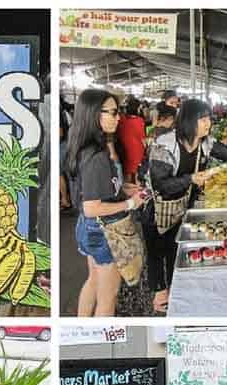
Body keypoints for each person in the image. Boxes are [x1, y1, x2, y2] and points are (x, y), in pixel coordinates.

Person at [145, 100, 227, 313]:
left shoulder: (205, 142)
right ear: (189, 120)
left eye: (209, 118)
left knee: (175, 245)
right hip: (157, 207)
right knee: (156, 249)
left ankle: (174, 288)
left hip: (182, 204)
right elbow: (160, 184)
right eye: (203, 118)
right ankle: (159, 294)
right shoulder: (165, 144)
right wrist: (191, 178)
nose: (208, 123)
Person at [64, 89, 146, 317]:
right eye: (112, 112)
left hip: (87, 228)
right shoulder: (97, 156)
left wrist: (124, 189)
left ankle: (82, 322)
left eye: (117, 112)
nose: (118, 117)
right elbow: (92, 207)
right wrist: (130, 204)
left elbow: (94, 190)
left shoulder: (82, 147)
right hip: (104, 231)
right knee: (108, 297)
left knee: (93, 281)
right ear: (93, 114)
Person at [116, 96, 146, 183]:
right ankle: (137, 191)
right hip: (137, 149)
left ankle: (128, 192)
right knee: (137, 171)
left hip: (125, 149)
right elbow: (142, 138)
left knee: (127, 171)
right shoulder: (139, 120)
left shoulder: (121, 120)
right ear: (137, 108)